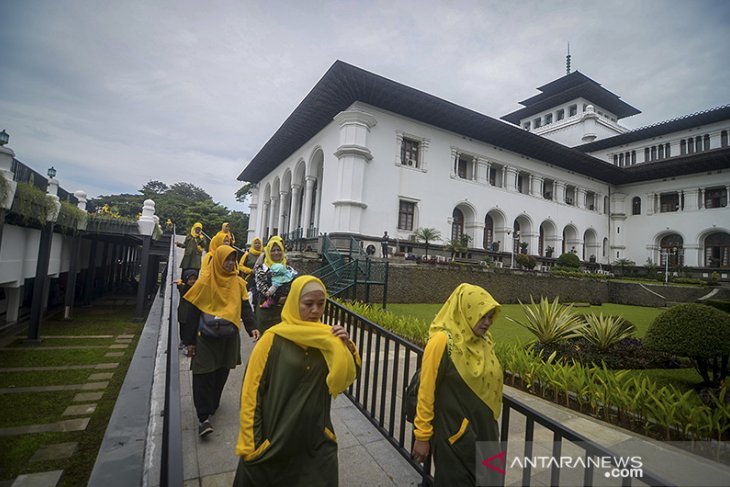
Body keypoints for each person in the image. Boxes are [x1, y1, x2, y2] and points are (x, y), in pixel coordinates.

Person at [233, 275, 360, 486]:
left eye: (321, 304)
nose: (316, 311)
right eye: (308, 304)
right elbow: (251, 394)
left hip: (316, 442)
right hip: (275, 441)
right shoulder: (272, 339)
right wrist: (252, 444)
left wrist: (346, 345)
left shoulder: (327, 339)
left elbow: (349, 373)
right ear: (294, 303)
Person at [411, 283, 503, 486]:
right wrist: (422, 436)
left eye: (490, 317)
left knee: (492, 480)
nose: (487, 322)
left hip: (486, 432)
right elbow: (426, 391)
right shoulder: (442, 342)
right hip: (455, 436)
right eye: (482, 316)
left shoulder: (484, 341)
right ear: (467, 311)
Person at [182, 245, 258, 437]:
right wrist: (189, 342)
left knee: (222, 371)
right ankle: (203, 417)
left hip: (229, 336)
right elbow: (192, 313)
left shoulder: (238, 283)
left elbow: (245, 307)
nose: (231, 262)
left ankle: (213, 404)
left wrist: (252, 328)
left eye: (233, 259)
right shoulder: (205, 282)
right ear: (218, 260)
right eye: (227, 259)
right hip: (206, 338)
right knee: (203, 373)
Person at [254, 236, 297, 332]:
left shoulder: (288, 268)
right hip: (266, 314)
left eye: (279, 250)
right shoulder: (262, 269)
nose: (276, 253)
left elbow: (295, 286)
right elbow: (263, 289)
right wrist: (278, 299)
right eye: (273, 250)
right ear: (268, 252)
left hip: (284, 314)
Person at [177, 269, 199, 354]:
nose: (193, 281)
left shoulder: (198, 288)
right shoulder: (184, 288)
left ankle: (189, 344)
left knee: (191, 329)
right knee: (183, 328)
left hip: (192, 315)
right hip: (184, 313)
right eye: (190, 279)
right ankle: (183, 342)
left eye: (194, 279)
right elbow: (182, 288)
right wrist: (180, 283)